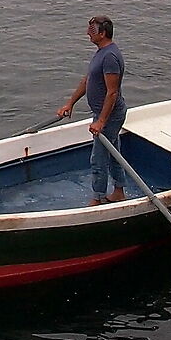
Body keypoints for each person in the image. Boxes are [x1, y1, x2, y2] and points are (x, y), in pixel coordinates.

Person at [54, 15, 127, 205]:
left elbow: (112, 93)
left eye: (93, 30)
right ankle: (119, 190)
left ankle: (98, 198)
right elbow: (88, 80)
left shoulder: (110, 56)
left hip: (110, 115)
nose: (88, 33)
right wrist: (70, 103)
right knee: (113, 152)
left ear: (103, 34)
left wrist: (101, 121)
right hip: (102, 114)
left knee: (99, 158)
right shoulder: (101, 53)